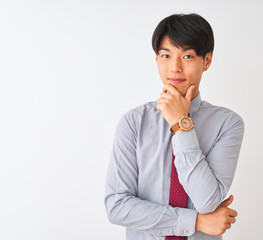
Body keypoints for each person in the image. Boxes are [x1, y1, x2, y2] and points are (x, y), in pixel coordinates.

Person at [104, 13, 245, 240]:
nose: (175, 68)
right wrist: (196, 221)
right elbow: (117, 206)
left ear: (206, 60)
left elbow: (207, 201)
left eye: (187, 56)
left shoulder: (227, 124)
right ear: (157, 59)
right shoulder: (133, 122)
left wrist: (182, 126)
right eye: (166, 55)